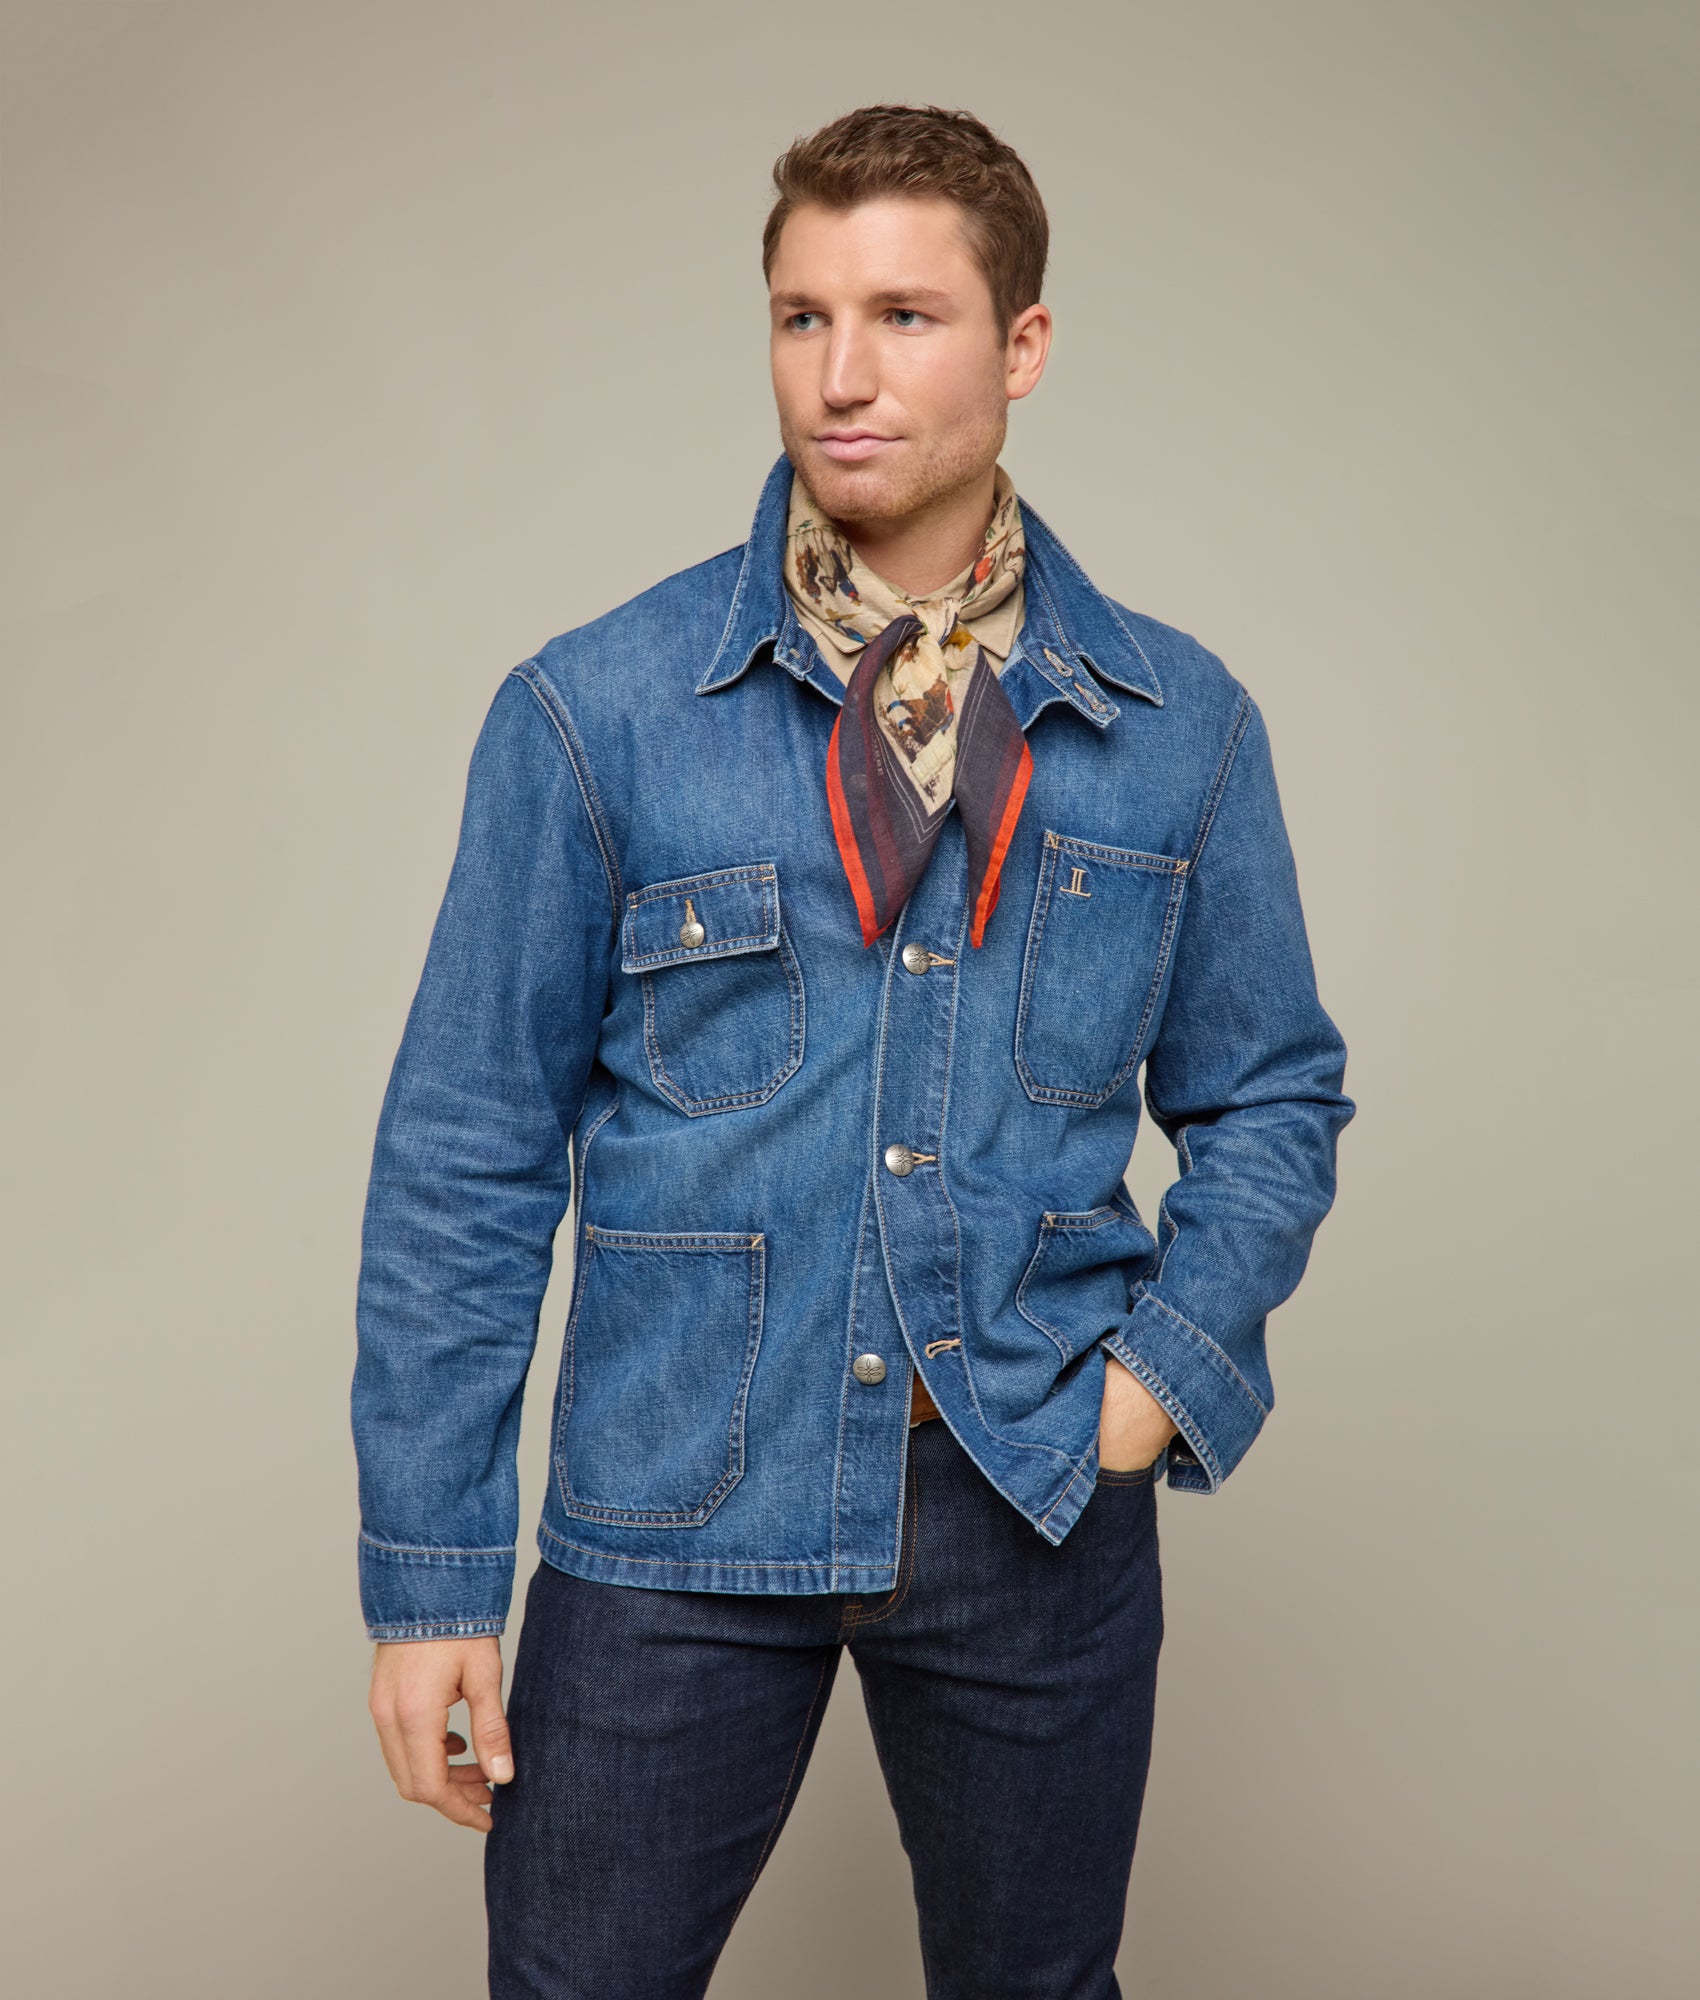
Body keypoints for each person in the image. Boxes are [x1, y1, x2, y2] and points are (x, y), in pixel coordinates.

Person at [352, 102, 1354, 2000]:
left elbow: (1273, 1093)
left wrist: (1158, 1385)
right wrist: (431, 1583)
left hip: (1029, 1491)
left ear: (1022, 345)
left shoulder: (1180, 726)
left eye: (904, 315)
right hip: (672, 1508)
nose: (841, 374)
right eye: (802, 317)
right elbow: (465, 1152)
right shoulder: (597, 712)